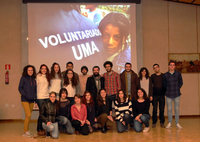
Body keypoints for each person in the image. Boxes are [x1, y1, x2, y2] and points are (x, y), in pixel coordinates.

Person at [18, 65, 37, 137]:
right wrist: (25, 95)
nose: (30, 71)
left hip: (32, 100)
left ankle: (26, 131)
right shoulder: (23, 78)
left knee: (28, 116)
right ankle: (25, 131)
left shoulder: (34, 80)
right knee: (28, 114)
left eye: (31, 70)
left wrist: (35, 100)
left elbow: (35, 91)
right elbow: (20, 88)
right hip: (25, 99)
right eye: (29, 70)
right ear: (26, 71)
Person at [164, 61, 183, 129]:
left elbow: (181, 83)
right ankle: (169, 123)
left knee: (177, 109)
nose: (172, 66)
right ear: (169, 66)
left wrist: (177, 88)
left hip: (176, 94)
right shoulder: (165, 75)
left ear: (175, 66)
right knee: (169, 109)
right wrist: (168, 89)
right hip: (168, 94)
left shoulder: (178, 74)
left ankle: (177, 123)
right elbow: (164, 84)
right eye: (170, 65)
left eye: (173, 65)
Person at [36, 64, 51, 135]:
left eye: (45, 69)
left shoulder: (48, 77)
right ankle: (39, 128)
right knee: (41, 113)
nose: (44, 70)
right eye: (42, 69)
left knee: (45, 113)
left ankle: (44, 128)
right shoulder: (37, 76)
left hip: (47, 96)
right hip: (40, 97)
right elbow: (35, 87)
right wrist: (35, 99)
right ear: (40, 69)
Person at [151, 64, 166, 128]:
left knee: (162, 110)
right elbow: (150, 87)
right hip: (155, 96)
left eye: (157, 67)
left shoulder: (163, 76)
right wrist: (151, 95)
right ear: (153, 69)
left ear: (159, 68)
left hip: (162, 95)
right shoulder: (152, 76)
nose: (156, 69)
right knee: (154, 110)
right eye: (154, 68)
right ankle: (154, 122)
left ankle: (162, 122)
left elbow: (166, 84)